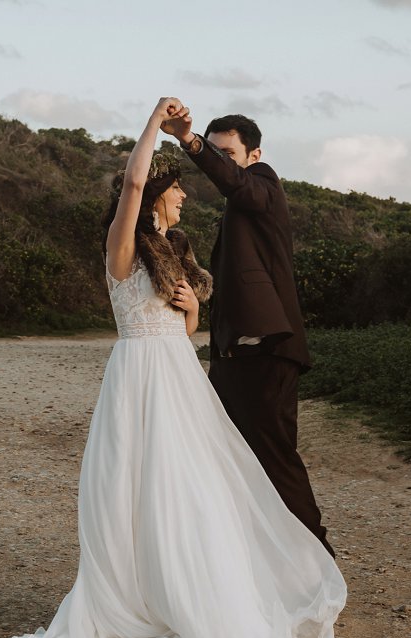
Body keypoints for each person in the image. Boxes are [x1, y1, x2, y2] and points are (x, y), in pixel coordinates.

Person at [0, 98, 346, 638]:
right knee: (138, 484)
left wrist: (193, 309)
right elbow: (133, 182)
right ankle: (144, 595)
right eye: (176, 188)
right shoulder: (124, 243)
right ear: (155, 194)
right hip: (139, 377)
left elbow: (181, 329)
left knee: (194, 483)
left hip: (179, 374)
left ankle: (208, 585)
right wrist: (159, 122)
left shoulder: (178, 248)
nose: (184, 194)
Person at [162, 112, 335, 557]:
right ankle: (249, 562)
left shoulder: (262, 183)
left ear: (254, 155)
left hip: (269, 353)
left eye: (228, 153)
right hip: (232, 358)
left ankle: (317, 562)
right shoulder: (239, 203)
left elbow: (236, 183)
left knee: (276, 463)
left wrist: (191, 141)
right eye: (215, 152)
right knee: (226, 459)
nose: (221, 161)